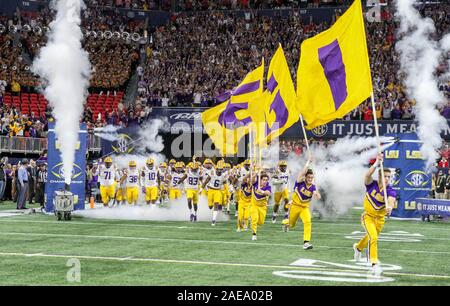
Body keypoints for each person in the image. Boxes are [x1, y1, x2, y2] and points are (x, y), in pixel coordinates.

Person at [353, 153, 397, 276]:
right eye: (385, 176)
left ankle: (357, 247)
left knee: (370, 237)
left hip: (380, 219)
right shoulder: (371, 184)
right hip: (367, 217)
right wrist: (376, 163)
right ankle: (374, 264)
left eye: (389, 177)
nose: (387, 179)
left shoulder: (391, 190)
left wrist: (389, 207)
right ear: (380, 176)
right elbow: (367, 175)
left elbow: (391, 201)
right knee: (373, 238)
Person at [282, 157, 321, 250]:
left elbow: (317, 194)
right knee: (291, 224)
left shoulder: (313, 187)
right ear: (305, 177)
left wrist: (317, 194)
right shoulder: (299, 182)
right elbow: (302, 172)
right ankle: (285, 223)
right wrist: (308, 162)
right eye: (309, 177)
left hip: (304, 208)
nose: (310, 179)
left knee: (308, 222)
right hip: (295, 206)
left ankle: (306, 242)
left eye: (312, 177)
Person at [202, 162, 228, 226]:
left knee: (216, 204)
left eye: (221, 169)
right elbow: (206, 180)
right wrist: (202, 188)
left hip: (218, 191)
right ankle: (212, 213)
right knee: (210, 206)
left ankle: (213, 220)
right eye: (218, 169)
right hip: (210, 190)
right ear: (216, 169)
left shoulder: (223, 175)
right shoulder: (212, 173)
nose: (219, 171)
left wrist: (227, 193)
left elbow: (225, 184)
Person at [249, 172, 272, 241]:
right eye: (263, 180)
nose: (265, 181)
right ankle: (254, 234)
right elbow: (252, 180)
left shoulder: (268, 187)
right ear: (260, 180)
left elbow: (268, 193)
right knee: (254, 219)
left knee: (261, 222)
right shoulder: (256, 183)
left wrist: (261, 191)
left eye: (266, 180)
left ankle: (253, 224)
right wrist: (255, 173)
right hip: (254, 205)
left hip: (262, 207)